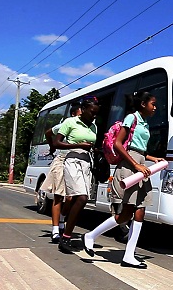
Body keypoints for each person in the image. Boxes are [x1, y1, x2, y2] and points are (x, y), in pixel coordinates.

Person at [82, 91, 165, 268]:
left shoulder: (145, 123)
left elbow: (138, 147)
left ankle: (129, 254)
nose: (155, 107)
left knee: (141, 210)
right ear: (143, 104)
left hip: (141, 164)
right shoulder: (131, 118)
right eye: (153, 103)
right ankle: (91, 235)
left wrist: (151, 159)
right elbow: (119, 144)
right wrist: (136, 165)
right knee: (126, 214)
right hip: (131, 167)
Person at [52, 96, 100, 253]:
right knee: (82, 197)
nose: (94, 116)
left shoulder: (94, 127)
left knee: (80, 199)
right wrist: (78, 144)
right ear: (84, 109)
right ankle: (65, 237)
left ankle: (66, 227)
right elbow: (56, 142)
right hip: (72, 160)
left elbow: (92, 144)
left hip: (86, 163)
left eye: (96, 114)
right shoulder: (70, 122)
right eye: (92, 112)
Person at [42, 103, 81, 243]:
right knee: (58, 196)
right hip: (62, 160)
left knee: (71, 197)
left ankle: (62, 220)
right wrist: (52, 146)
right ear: (73, 114)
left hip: (76, 162)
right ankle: (55, 230)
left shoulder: (87, 126)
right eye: (81, 113)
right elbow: (48, 132)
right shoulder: (67, 123)